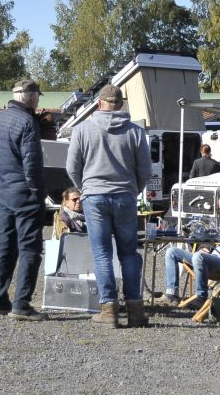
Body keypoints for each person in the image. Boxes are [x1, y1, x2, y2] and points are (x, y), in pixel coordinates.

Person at [66, 84, 152, 328]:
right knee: (129, 254)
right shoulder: (135, 132)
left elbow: (72, 167)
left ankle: (109, 309)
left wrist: (86, 187)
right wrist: (132, 189)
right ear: (121, 104)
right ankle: (135, 309)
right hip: (125, 196)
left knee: (103, 253)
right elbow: (145, 170)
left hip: (94, 198)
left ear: (99, 103)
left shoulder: (82, 130)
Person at [0, 79, 48, 321]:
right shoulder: (28, 122)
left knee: (5, 247)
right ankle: (21, 304)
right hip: (25, 194)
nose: (38, 100)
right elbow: (32, 164)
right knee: (30, 249)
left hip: (6, 193)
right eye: (38, 96)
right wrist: (37, 192)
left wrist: (2, 185)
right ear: (30, 97)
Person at [162, 194, 220, 308]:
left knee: (197, 257)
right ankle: (172, 295)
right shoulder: (216, 223)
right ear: (219, 210)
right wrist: (204, 247)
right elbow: (207, 238)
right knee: (171, 252)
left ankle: (201, 297)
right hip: (207, 258)